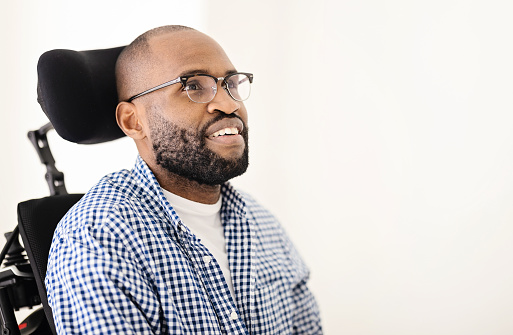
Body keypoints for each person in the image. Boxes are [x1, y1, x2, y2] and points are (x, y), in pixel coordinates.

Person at [45, 25, 322, 334]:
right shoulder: (100, 238)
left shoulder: (263, 225)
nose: (230, 104)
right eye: (194, 87)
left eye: (231, 84)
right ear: (133, 121)